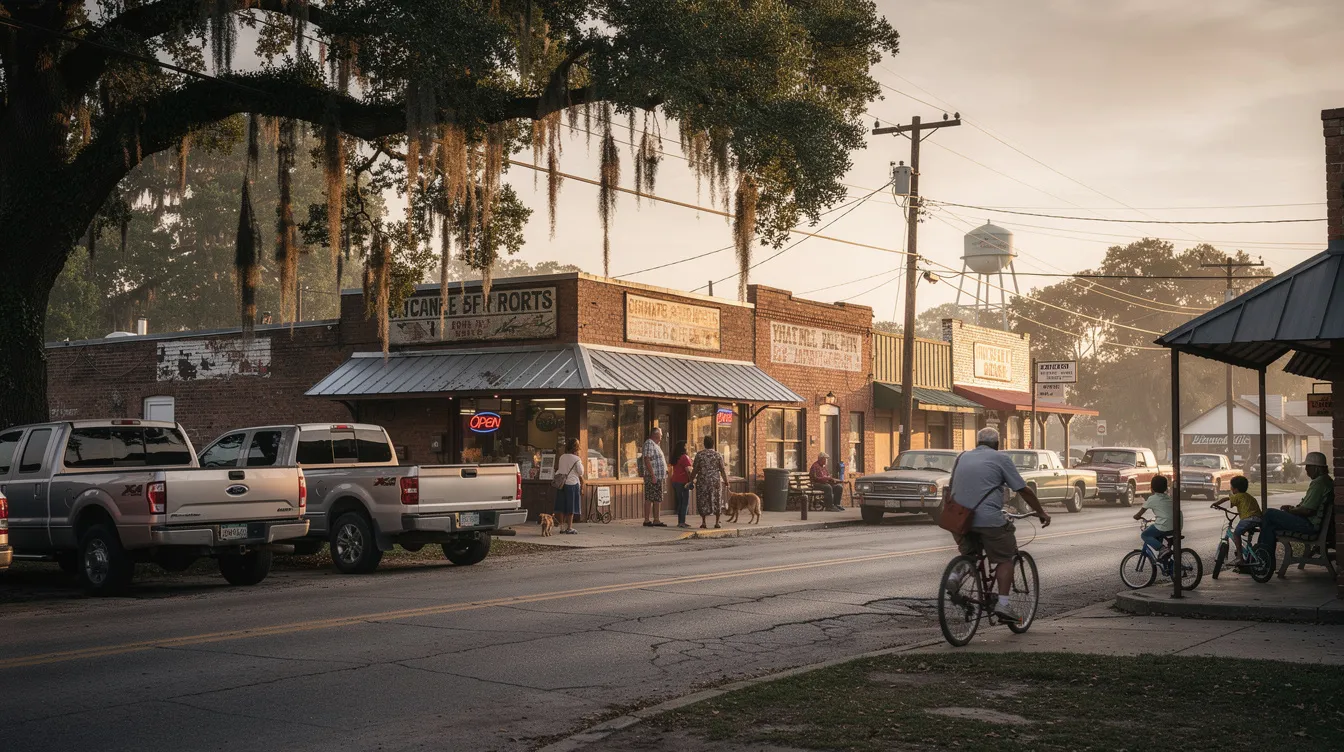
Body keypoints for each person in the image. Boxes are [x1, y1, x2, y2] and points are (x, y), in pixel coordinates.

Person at [948, 427, 1050, 622]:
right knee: (1006, 557)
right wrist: (1040, 512)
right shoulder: (1001, 459)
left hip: (959, 519)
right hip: (988, 520)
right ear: (997, 445)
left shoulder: (962, 457)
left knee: (968, 555)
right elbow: (1023, 490)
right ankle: (1003, 605)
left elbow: (952, 487)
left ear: (977, 443)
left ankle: (954, 577)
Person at [1257, 451, 1333, 558]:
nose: (1306, 469)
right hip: (1312, 523)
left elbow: (1307, 510)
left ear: (1317, 468)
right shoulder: (1326, 481)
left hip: (1309, 526)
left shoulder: (1319, 483)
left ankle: (1262, 560)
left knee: (1269, 514)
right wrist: (1293, 509)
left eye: (1308, 466)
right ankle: (1263, 560)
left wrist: (1290, 511)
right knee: (1270, 527)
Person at [1212, 475, 1261, 566]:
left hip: (1248, 518)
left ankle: (1240, 557)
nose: (1231, 489)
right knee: (1244, 533)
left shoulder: (1238, 496)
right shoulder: (1249, 497)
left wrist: (1216, 504)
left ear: (1236, 489)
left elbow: (1227, 500)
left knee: (1236, 534)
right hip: (1258, 519)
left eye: (1231, 487)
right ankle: (1248, 554)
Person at [692, 434, 730, 529]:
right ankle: (717, 522)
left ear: (704, 444)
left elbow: (695, 469)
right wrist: (726, 481)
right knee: (717, 499)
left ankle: (704, 522)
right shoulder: (718, 455)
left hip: (703, 481)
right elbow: (722, 469)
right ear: (713, 444)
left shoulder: (699, 455)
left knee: (703, 499)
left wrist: (691, 479)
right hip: (715, 481)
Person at [1133, 476, 1173, 556]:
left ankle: (1162, 548)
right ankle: (1165, 559)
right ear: (1165, 488)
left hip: (1164, 526)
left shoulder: (1152, 498)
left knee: (1145, 534)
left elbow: (1139, 513)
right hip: (1176, 525)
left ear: (1152, 488)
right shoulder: (1169, 498)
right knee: (1157, 530)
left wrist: (1136, 516)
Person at [553, 438, 584, 535]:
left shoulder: (562, 457)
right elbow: (581, 472)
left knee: (562, 505)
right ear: (576, 447)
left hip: (562, 484)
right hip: (573, 484)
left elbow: (560, 469)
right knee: (571, 506)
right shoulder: (576, 459)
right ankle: (569, 527)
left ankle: (562, 527)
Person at [642, 427, 668, 527]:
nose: (661, 436)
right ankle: (647, 520)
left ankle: (656, 519)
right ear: (655, 434)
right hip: (653, 476)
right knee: (650, 497)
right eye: (660, 434)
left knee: (657, 498)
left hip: (658, 476)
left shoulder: (656, 445)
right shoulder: (649, 443)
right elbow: (647, 459)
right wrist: (652, 475)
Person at [670, 441, 694, 529]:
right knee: (685, 502)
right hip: (683, 482)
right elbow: (688, 470)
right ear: (683, 447)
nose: (687, 447)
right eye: (685, 446)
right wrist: (691, 481)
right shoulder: (684, 457)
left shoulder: (676, 458)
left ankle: (680, 521)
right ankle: (682, 522)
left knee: (680, 501)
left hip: (675, 481)